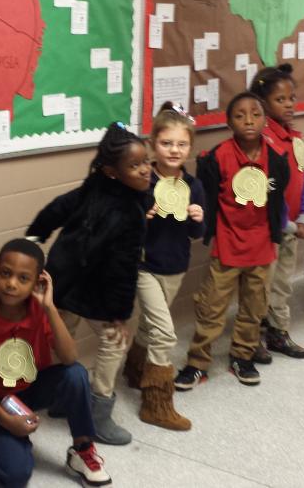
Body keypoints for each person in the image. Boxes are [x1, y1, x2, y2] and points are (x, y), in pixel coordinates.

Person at [26, 123, 152, 445]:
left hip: (65, 279)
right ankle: (96, 414)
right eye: (134, 166)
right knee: (113, 342)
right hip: (85, 288)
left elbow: (55, 210)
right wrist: (120, 315)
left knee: (61, 340)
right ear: (112, 172)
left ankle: (62, 398)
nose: (145, 170)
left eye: (146, 162)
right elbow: (123, 268)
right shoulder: (129, 210)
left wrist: (36, 236)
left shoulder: (96, 186)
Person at [0, 238, 111, 488]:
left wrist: (49, 307)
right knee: (15, 477)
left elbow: (69, 358)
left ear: (37, 282)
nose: (11, 284)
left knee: (75, 374)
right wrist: (5, 420)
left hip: (32, 389)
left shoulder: (40, 311)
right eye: (6, 274)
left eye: (23, 278)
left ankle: (82, 450)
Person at [174, 92, 289, 389]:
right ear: (228, 122)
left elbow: (278, 200)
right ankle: (198, 362)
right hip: (227, 246)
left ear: (265, 120)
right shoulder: (216, 158)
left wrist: (278, 234)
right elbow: (207, 198)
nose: (248, 120)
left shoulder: (277, 160)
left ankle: (242, 356)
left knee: (253, 308)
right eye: (240, 115)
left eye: (255, 114)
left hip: (262, 247)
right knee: (211, 308)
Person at [121, 103, 204, 431]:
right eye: (167, 143)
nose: (174, 150)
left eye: (182, 144)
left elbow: (196, 233)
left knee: (150, 326)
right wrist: (144, 217)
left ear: (190, 147)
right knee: (165, 333)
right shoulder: (142, 181)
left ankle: (135, 369)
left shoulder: (193, 185)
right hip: (144, 266)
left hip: (175, 265)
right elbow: (124, 228)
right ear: (153, 144)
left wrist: (197, 217)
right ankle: (156, 403)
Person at [249, 64, 304, 361]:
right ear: (262, 103)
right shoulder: (261, 140)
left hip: (291, 228)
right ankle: (250, 337)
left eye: (291, 98)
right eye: (280, 99)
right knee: (260, 285)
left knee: (282, 283)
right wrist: (286, 223)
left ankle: (278, 331)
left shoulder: (294, 138)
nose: (289, 105)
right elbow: (266, 190)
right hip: (269, 229)